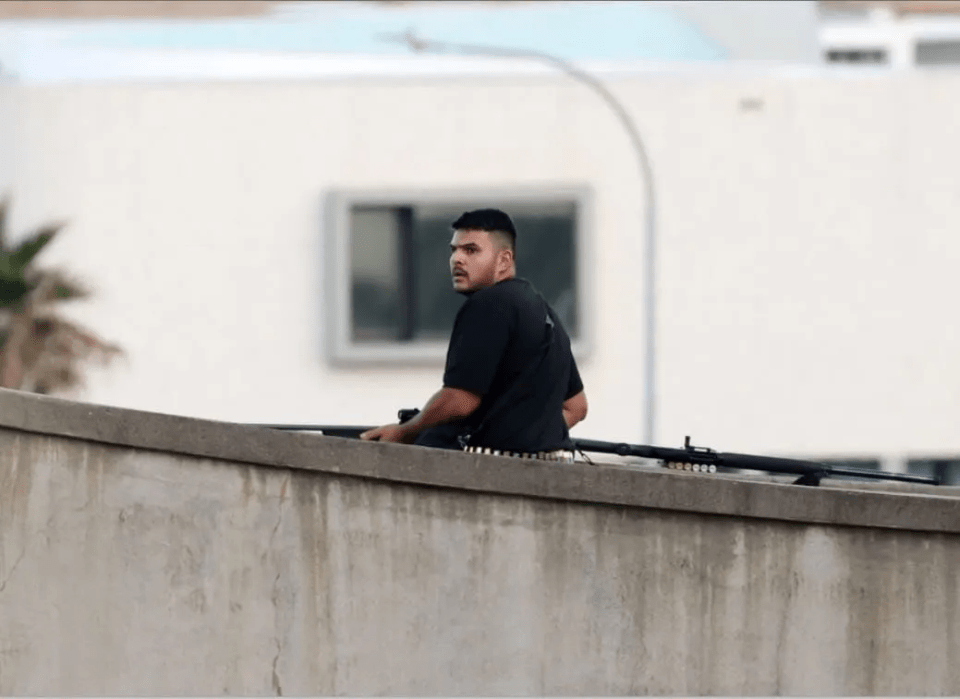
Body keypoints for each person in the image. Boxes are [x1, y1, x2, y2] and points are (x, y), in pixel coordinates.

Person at [360, 208, 588, 462]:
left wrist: (406, 431)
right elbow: (576, 407)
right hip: (557, 468)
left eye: (471, 250)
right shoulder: (545, 312)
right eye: (454, 250)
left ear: (504, 260)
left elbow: (460, 400)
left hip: (493, 473)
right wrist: (531, 437)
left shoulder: (489, 304)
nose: (457, 259)